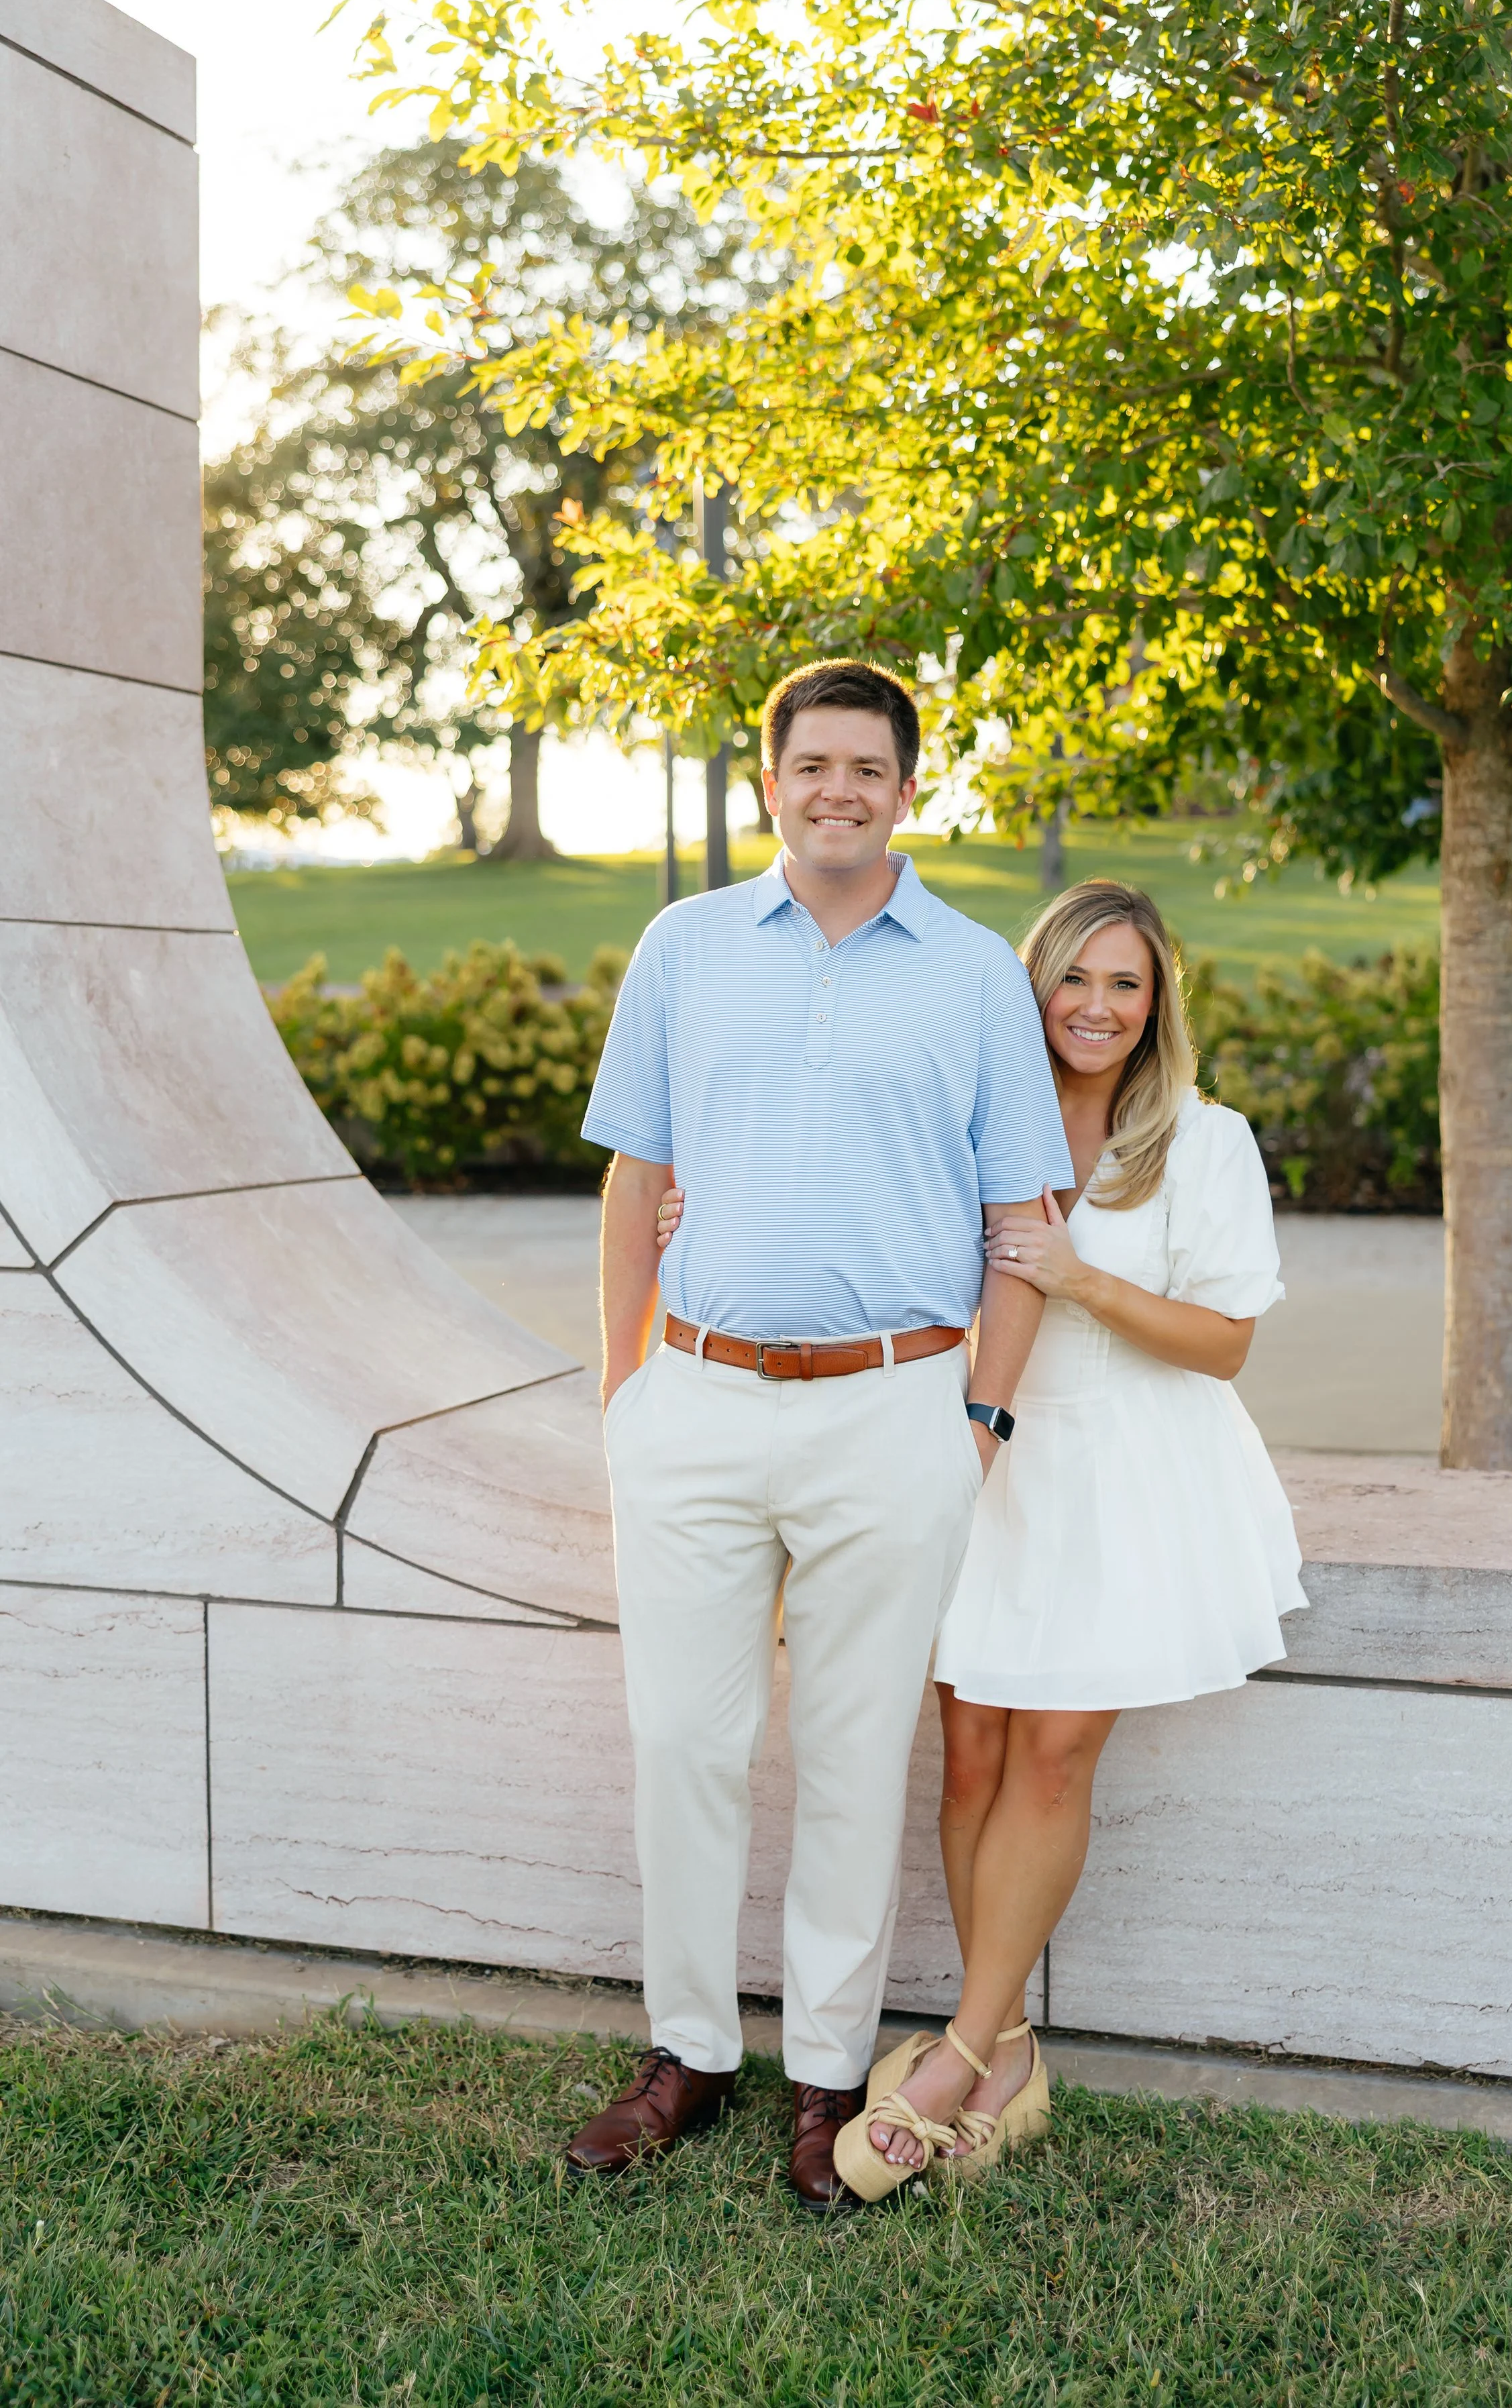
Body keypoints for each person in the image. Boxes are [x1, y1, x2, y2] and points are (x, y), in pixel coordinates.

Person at [662, 879, 1304, 2195]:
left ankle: (954, 2056)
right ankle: (1006, 2040)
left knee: (1053, 1756)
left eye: (1124, 983)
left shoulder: (1199, 1141)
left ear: (1156, 1002)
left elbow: (1226, 1341)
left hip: (1122, 1471)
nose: (1095, 1006)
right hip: (973, 1454)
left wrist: (1077, 1277)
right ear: (1033, 989)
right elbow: (854, 1219)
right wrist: (695, 1222)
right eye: (1073, 978)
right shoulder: (967, 1121)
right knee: (965, 1758)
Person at [562, 658, 1071, 2213]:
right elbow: (632, 1184)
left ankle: (827, 2076)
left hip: (896, 1408)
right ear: (766, 779)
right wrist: (625, 1390)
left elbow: (1020, 1219)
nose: (837, 790)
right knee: (684, 1745)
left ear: (905, 790)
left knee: (856, 1759)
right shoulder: (683, 946)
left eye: (868, 768)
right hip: (696, 1406)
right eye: (811, 765)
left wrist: (976, 1415)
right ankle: (687, 2054)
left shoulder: (974, 970)